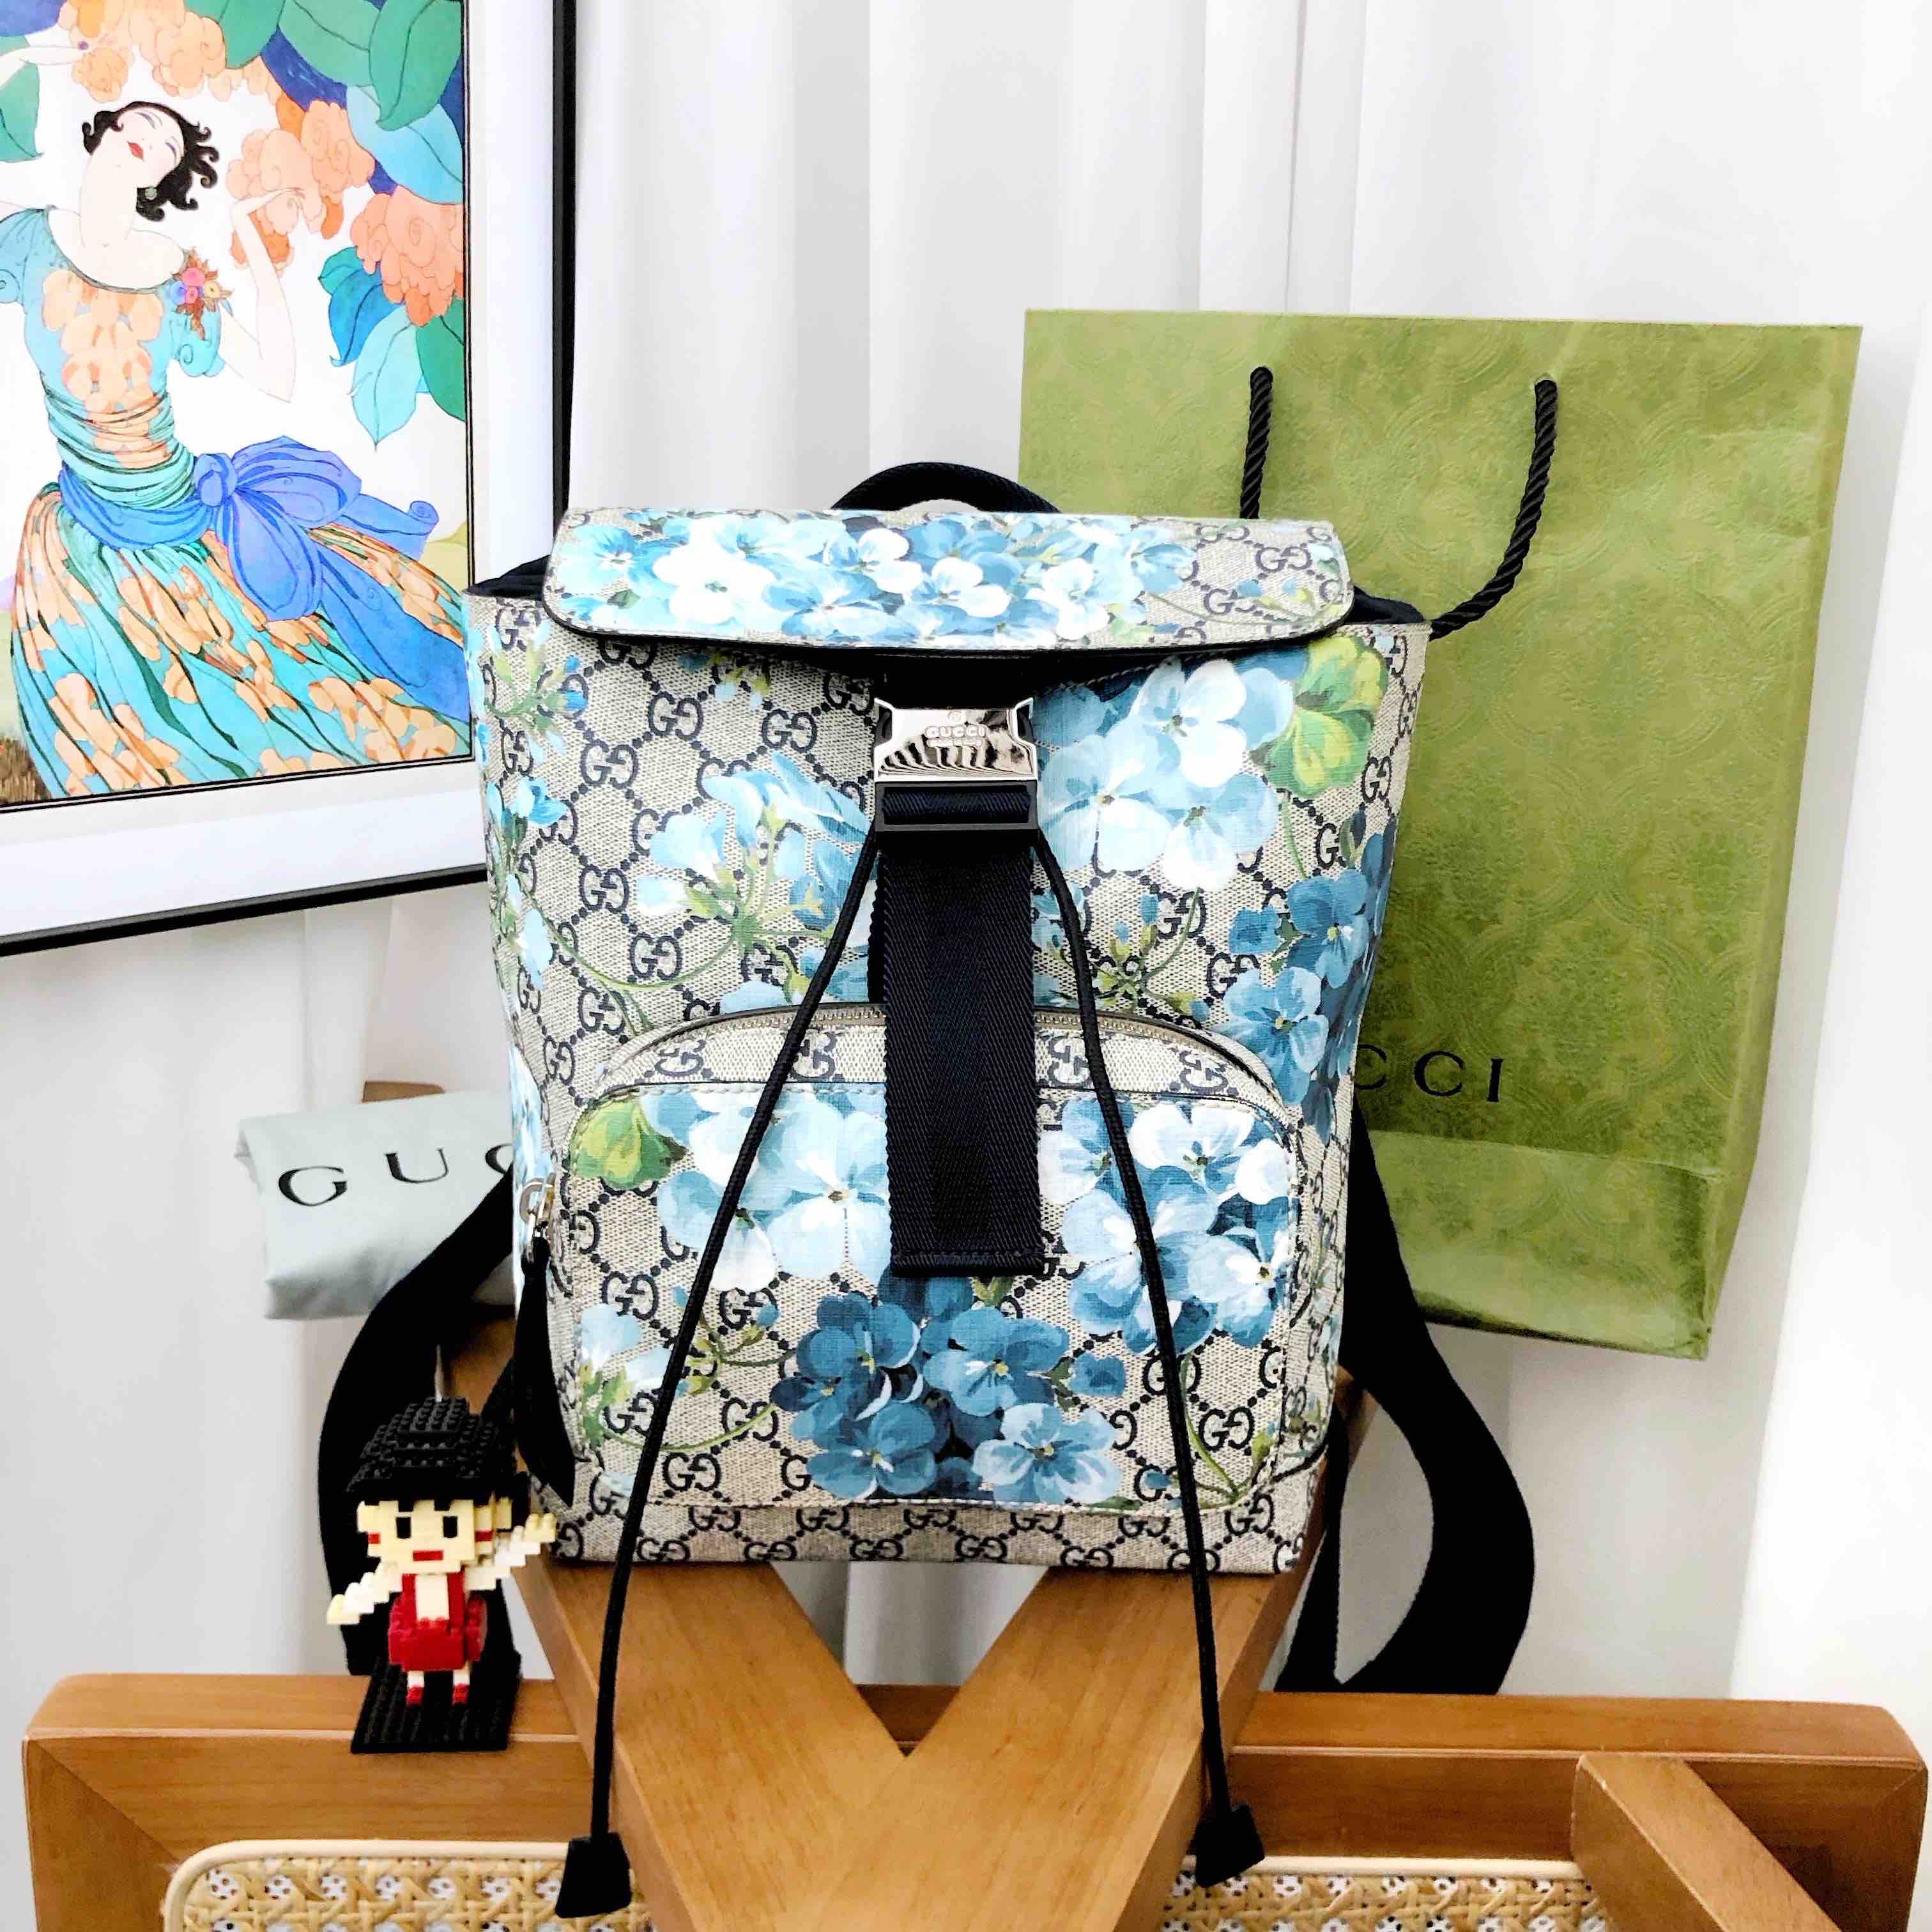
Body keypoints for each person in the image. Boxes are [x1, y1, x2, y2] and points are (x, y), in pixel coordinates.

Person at [0, 49, 470, 798]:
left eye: (167, 143)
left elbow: (275, 374)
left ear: (164, 178)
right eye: (139, 124)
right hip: (84, 522)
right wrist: (19, 58)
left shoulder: (176, 271)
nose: (149, 138)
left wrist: (250, 239)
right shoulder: (29, 240)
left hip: (178, 506)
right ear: (106, 129)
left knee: (289, 674)